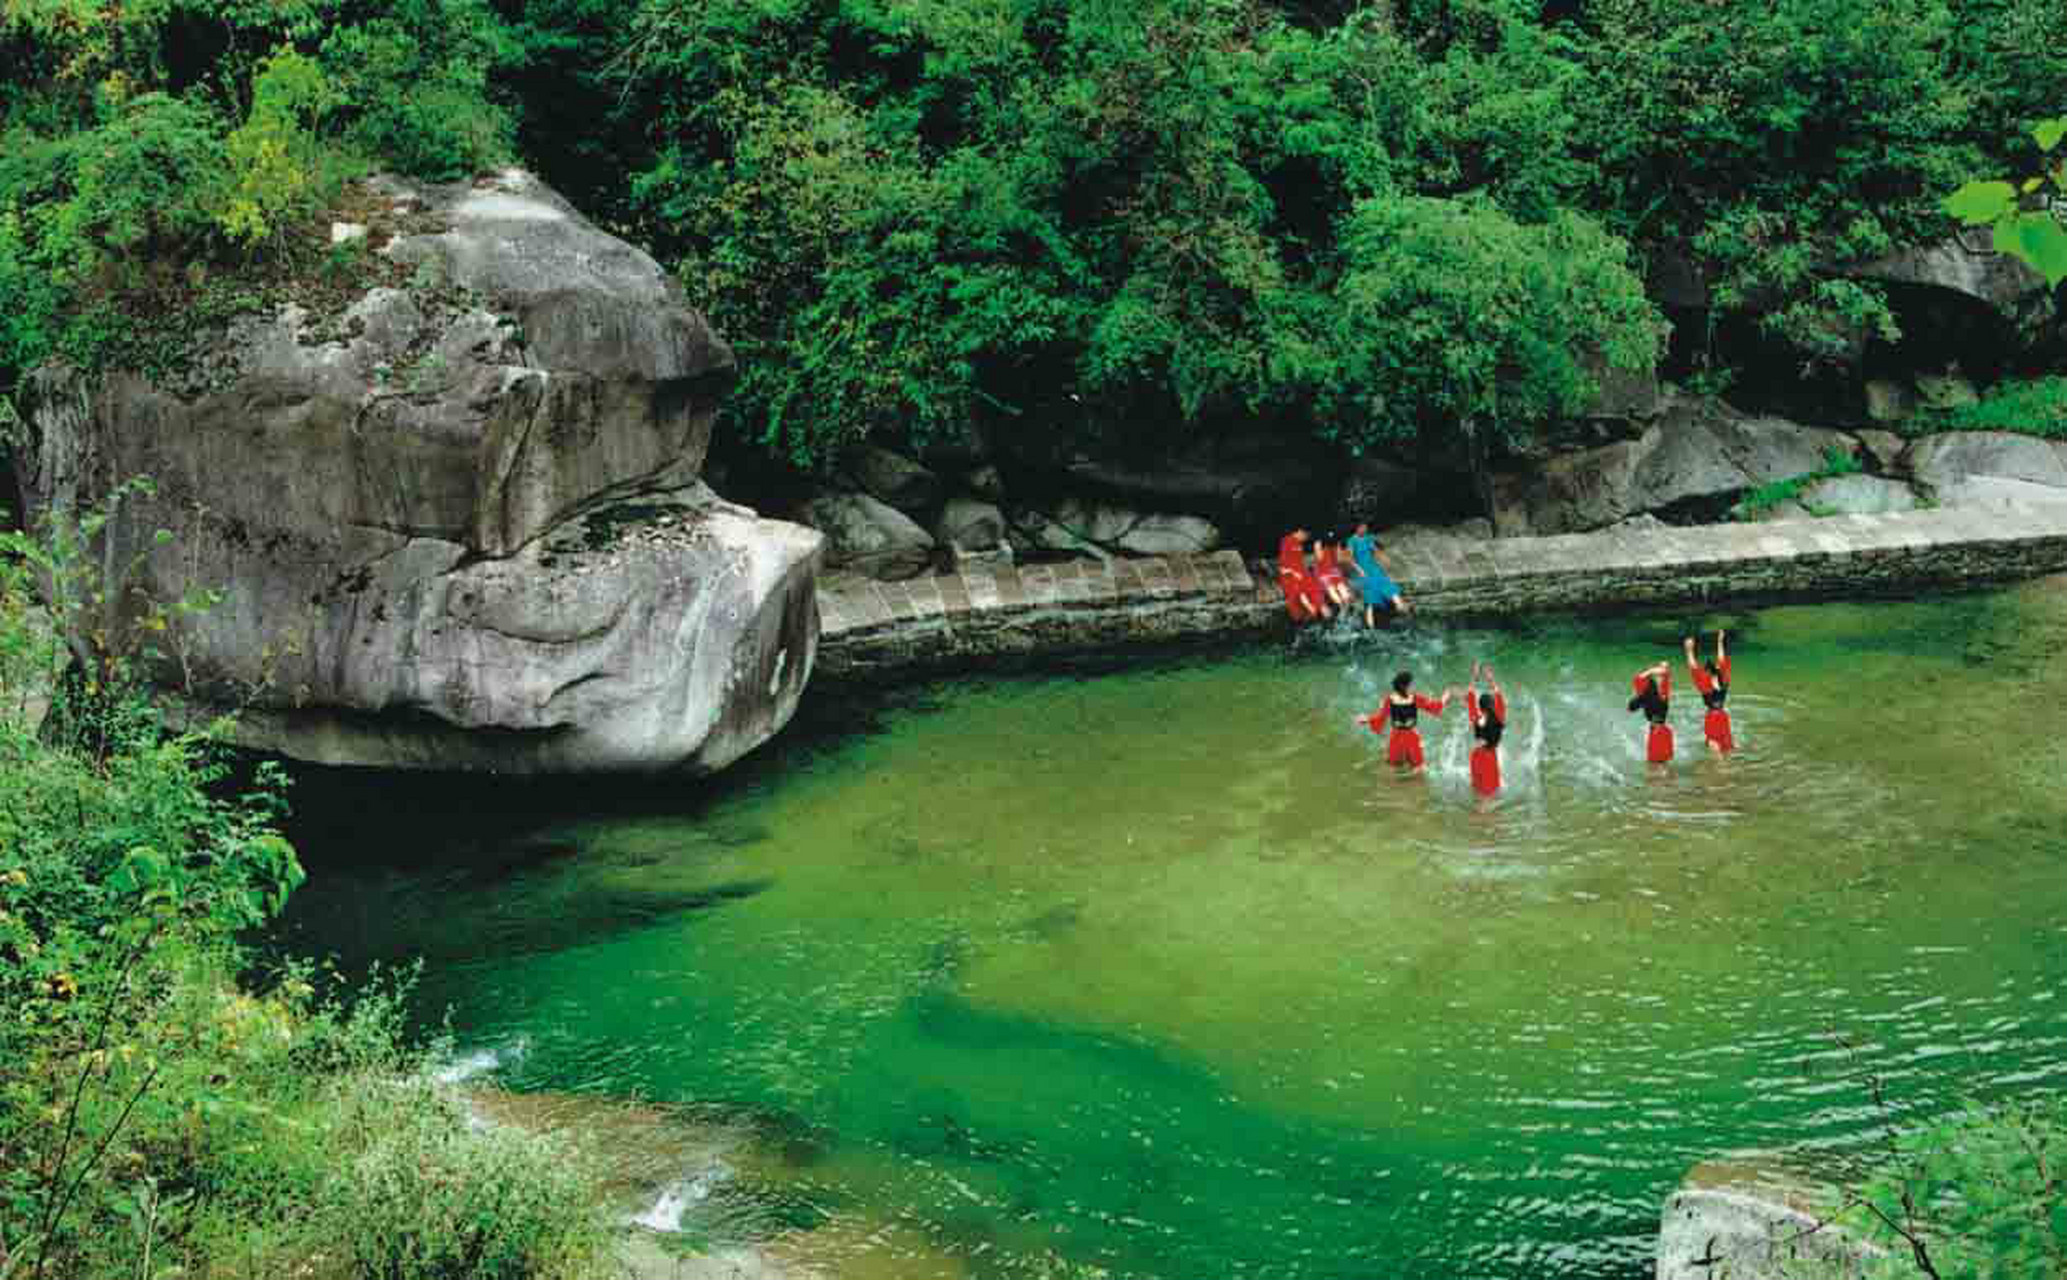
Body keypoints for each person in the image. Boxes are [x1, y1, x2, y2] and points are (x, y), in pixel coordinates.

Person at [1365, 670, 1450, 771]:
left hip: (1395, 737)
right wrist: (1445, 697)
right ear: (1407, 686)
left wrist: (1367, 720)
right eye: (1411, 684)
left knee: (1393, 766)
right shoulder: (1415, 698)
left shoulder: (1389, 699)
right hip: (1411, 737)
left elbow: (1380, 717)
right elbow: (1436, 707)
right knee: (1419, 767)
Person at [1343, 522, 1410, 628]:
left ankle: (1400, 606)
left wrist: (1384, 558)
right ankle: (1371, 626)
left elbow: (1375, 550)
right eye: (1362, 528)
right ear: (1357, 528)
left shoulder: (1368, 538)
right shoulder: (1352, 540)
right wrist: (1360, 570)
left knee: (1383, 580)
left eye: (1366, 528)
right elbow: (1350, 559)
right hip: (1361, 568)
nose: (1364, 530)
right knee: (1370, 590)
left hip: (1373, 566)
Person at [1685, 630, 1734, 754]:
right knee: (1727, 747)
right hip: (1723, 716)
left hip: (1712, 717)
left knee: (1714, 746)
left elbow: (1693, 666)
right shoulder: (1724, 680)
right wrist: (1720, 641)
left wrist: (1689, 650)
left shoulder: (1705, 684)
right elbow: (1721, 658)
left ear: (1706, 672)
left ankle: (1719, 769)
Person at [1466, 661, 1507, 796]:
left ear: (1480, 707)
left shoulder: (1475, 717)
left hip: (1476, 755)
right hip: (1489, 757)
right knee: (1490, 793)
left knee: (1477, 789)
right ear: (1493, 705)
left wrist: (1474, 677)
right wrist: (1490, 678)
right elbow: (1498, 694)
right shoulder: (1499, 716)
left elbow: (1470, 694)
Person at [1276, 527, 1329, 623]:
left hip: (1302, 574)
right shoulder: (1286, 541)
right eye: (1306, 536)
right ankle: (1310, 614)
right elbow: (1283, 567)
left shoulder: (1299, 543)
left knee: (1317, 593)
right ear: (1300, 531)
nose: (1306, 539)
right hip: (1292, 576)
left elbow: (1300, 562)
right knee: (1301, 595)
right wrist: (1293, 572)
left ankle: (1322, 615)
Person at [1628, 661, 1673, 764]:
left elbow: (1665, 672)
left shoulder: (1663, 685)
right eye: (1661, 669)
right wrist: (1651, 671)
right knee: (1656, 764)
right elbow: (1638, 679)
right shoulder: (1646, 686)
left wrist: (1657, 670)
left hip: (1661, 730)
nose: (1664, 671)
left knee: (1661, 763)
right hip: (1656, 730)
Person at [1313, 532, 1354, 611]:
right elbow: (1319, 559)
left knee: (1341, 587)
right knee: (1331, 588)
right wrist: (1319, 547)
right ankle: (1341, 605)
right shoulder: (1319, 544)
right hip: (1323, 571)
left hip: (1333, 570)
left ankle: (1346, 604)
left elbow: (1338, 560)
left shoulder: (1335, 545)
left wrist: (1339, 549)